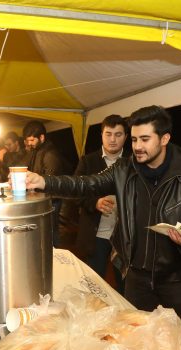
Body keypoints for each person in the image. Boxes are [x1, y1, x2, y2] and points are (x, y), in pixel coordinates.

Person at [22, 105, 181, 327]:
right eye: (134, 140)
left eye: (144, 139)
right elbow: (85, 183)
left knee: (174, 340)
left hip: (175, 279)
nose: (138, 147)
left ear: (164, 138)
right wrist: (45, 182)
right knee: (135, 338)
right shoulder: (124, 169)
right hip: (135, 277)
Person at [74, 114, 128, 293]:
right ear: (101, 135)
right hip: (96, 236)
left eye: (118, 134)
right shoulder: (88, 161)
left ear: (126, 137)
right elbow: (75, 193)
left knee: (125, 286)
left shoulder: (133, 162)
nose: (113, 139)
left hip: (125, 237)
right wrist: (94, 202)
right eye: (108, 134)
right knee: (94, 286)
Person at [22, 120, 69, 247]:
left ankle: (55, 256)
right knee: (45, 231)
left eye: (32, 140)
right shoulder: (36, 151)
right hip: (42, 199)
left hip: (51, 200)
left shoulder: (50, 154)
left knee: (51, 231)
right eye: (28, 141)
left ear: (41, 137)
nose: (29, 144)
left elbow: (50, 179)